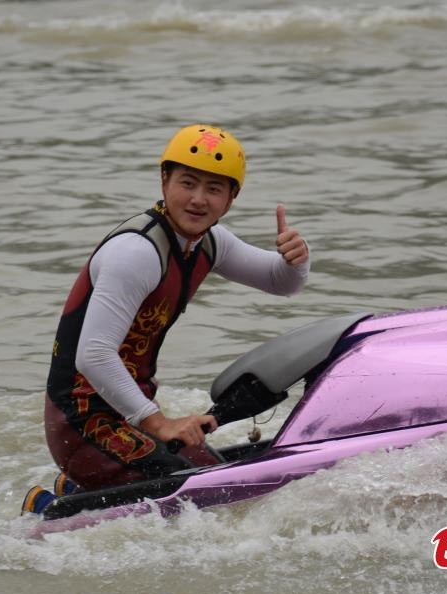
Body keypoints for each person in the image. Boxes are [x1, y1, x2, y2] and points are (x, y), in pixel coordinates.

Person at [23, 124, 310, 514]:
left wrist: (296, 261)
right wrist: (159, 424)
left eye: (213, 189)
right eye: (187, 183)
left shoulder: (210, 242)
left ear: (230, 199)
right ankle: (47, 507)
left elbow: (281, 282)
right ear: (164, 180)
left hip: (129, 413)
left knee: (221, 479)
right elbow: (93, 354)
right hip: (82, 422)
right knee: (207, 501)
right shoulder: (136, 253)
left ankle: (78, 489)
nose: (198, 199)